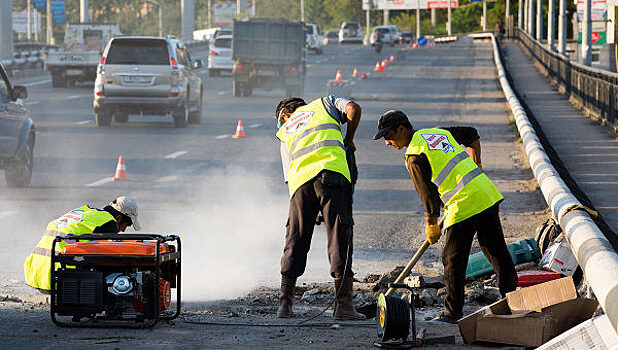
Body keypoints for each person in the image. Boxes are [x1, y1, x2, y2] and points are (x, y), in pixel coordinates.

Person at [373, 110, 517, 323]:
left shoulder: (414, 156)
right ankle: (513, 300)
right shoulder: (438, 133)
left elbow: (428, 195)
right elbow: (471, 134)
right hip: (486, 193)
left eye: (389, 136)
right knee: (496, 250)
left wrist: (431, 223)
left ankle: (452, 313)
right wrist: (477, 163)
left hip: (464, 204)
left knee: (452, 260)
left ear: (401, 129)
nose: (387, 142)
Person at [274, 95, 365, 320]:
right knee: (339, 237)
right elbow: (354, 109)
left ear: (285, 114)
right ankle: (343, 306)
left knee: (295, 238)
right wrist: (348, 138)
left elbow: (289, 175)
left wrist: (308, 209)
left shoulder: (285, 131)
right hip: (332, 176)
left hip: (300, 186)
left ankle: (285, 305)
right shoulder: (325, 103)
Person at [24, 196, 141, 293]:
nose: (123, 230)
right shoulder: (109, 223)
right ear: (118, 218)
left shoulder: (85, 212)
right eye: (126, 225)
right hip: (59, 277)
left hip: (36, 274)